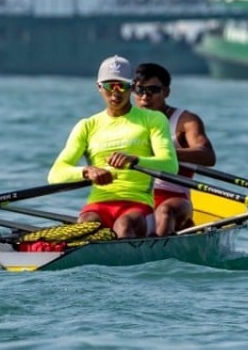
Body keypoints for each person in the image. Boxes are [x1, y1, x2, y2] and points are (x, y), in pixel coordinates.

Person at [48, 55, 178, 238]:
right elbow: (55, 174)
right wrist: (87, 171)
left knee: (124, 226)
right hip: (99, 204)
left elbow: (170, 166)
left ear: (132, 87)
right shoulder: (87, 126)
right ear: (99, 87)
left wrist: (135, 160)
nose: (116, 93)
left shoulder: (153, 120)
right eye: (110, 86)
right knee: (86, 224)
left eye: (122, 86)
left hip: (137, 204)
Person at [132, 62, 216, 236]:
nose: (145, 97)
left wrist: (165, 154)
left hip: (173, 197)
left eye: (153, 90)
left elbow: (208, 156)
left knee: (164, 213)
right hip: (135, 195)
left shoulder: (185, 121)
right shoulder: (126, 122)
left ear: (166, 92)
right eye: (139, 90)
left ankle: (159, 254)